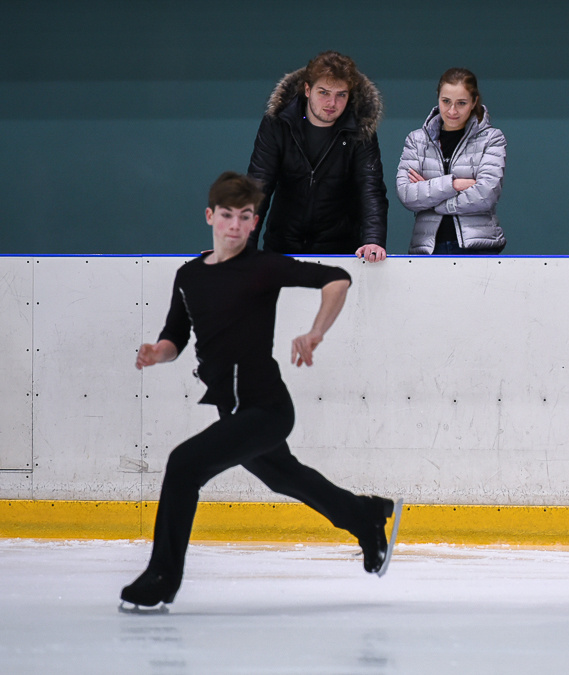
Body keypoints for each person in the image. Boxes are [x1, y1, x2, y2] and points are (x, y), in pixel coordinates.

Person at [120, 172, 400, 611]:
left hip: (266, 408)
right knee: (284, 476)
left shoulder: (264, 267)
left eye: (245, 216)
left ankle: (162, 577)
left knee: (184, 465)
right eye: (227, 215)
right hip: (232, 410)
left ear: (254, 222)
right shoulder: (189, 276)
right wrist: (158, 352)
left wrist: (315, 332)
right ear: (210, 216)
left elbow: (337, 278)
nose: (235, 225)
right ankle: (365, 516)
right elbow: (176, 335)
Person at [247, 51, 389, 262]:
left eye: (341, 95)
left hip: (340, 251)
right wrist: (241, 246)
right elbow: (258, 185)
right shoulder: (278, 123)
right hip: (282, 247)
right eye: (324, 92)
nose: (332, 102)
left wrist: (373, 240)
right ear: (307, 90)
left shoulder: (360, 130)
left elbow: (370, 188)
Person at [396, 68, 507, 254]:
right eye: (446, 101)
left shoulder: (492, 138)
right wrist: (454, 185)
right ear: (438, 98)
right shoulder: (417, 140)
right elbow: (407, 194)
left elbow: (486, 195)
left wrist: (433, 200)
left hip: (478, 248)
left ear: (474, 102)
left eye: (461, 103)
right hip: (428, 249)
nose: (452, 111)